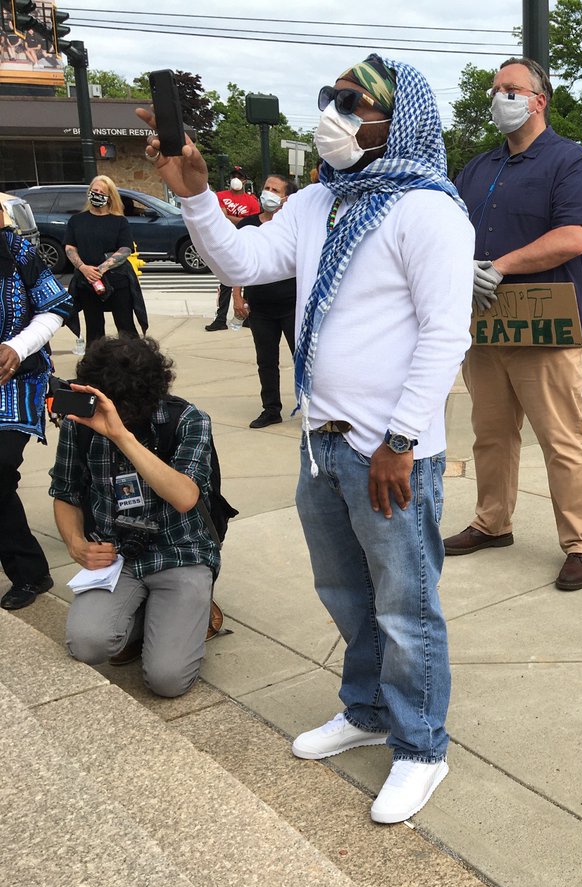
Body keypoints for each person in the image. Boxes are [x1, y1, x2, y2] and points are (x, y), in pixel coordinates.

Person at [142, 53, 474, 823]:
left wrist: (400, 441)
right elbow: (246, 261)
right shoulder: (321, 201)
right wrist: (194, 196)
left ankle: (421, 747)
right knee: (346, 594)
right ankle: (368, 710)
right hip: (322, 444)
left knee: (406, 607)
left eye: (352, 103)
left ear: (397, 120)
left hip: (388, 452)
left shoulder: (427, 210)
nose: (333, 113)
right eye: (331, 97)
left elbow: (445, 335)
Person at [447, 56, 582, 591]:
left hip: (545, 327)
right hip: (485, 324)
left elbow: (574, 236)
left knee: (562, 439)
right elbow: (449, 227)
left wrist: (501, 266)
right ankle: (492, 522)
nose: (499, 98)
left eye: (510, 89)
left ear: (539, 100)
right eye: (495, 90)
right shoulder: (478, 167)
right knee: (490, 434)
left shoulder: (569, 162)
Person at [52, 337, 219, 697]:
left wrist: (121, 435)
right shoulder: (79, 425)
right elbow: (65, 492)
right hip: (116, 556)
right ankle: (149, 616)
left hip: (180, 552)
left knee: (167, 680)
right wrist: (76, 544)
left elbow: (185, 497)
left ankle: (191, 611)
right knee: (87, 644)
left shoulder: (188, 420)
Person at [0, 220, 72, 610]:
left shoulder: (17, 252)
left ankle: (30, 572)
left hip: (16, 379)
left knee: (0, 465)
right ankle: (29, 572)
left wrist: (18, 346)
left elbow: (55, 308)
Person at [230, 174, 299, 428]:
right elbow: (238, 262)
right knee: (266, 361)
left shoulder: (293, 226)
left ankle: (312, 409)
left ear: (286, 198)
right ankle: (271, 409)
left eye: (275, 190)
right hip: (260, 306)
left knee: (302, 359)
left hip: (292, 305)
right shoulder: (248, 224)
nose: (268, 192)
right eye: (266, 187)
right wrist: (237, 295)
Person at [64, 176, 137, 347]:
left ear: (110, 196)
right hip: (87, 282)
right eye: (94, 190)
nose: (97, 194)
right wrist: (83, 268)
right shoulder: (77, 220)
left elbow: (125, 249)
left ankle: (133, 359)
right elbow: (70, 247)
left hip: (117, 281)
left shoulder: (119, 221)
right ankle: (95, 360)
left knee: (126, 326)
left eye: (102, 192)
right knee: (94, 327)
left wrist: (101, 269)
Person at [206, 170, 262, 332]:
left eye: (240, 177)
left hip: (245, 242)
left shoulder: (252, 200)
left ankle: (247, 316)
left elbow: (252, 222)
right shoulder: (220, 196)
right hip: (225, 242)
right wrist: (239, 220)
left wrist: (228, 218)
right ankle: (220, 318)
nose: (236, 179)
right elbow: (219, 217)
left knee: (248, 280)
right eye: (233, 177)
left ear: (245, 181)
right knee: (226, 280)